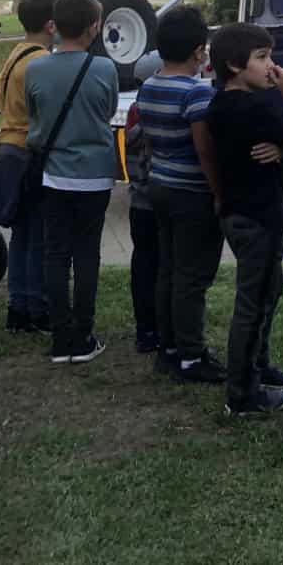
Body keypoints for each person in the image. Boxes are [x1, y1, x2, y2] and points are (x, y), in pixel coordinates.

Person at [206, 24, 283, 417]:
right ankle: (243, 394)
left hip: (249, 215)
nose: (271, 66)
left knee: (267, 292)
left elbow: (282, 145)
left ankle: (259, 369)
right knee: (254, 303)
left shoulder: (224, 105)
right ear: (233, 65)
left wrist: (279, 148)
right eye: (261, 58)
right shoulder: (249, 107)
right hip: (256, 219)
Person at [25, 0, 119, 364]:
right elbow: (108, 110)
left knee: (55, 254)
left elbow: (36, 115)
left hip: (54, 175)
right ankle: (84, 333)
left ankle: (60, 337)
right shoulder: (104, 68)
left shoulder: (36, 68)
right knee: (87, 255)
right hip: (95, 175)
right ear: (94, 27)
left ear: (55, 26)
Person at [137, 6, 225, 384]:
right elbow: (206, 152)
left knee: (169, 269)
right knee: (192, 277)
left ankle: (168, 348)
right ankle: (192, 356)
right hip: (192, 192)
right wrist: (219, 193)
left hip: (160, 185)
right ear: (198, 51)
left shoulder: (149, 85)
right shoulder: (196, 94)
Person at [0, 0, 57, 334]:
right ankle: (38, 307)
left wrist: (12, 116)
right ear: (51, 24)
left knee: (21, 235)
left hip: (8, 148)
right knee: (39, 235)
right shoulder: (41, 61)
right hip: (30, 153)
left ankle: (18, 307)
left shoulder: (18, 52)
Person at [125, 50, 163, 353]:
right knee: (161, 265)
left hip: (138, 201)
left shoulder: (134, 110)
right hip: (158, 199)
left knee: (143, 264)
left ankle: (145, 330)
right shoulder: (153, 108)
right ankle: (159, 328)